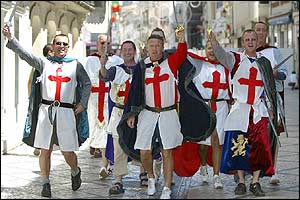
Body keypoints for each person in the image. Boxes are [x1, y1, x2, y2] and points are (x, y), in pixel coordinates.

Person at [2, 24, 91, 198]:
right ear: (53, 45)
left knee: (67, 151)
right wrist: (11, 39)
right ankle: (45, 183)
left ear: (68, 46)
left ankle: (75, 171)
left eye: (65, 44)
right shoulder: (44, 63)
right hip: (46, 111)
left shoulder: (75, 65)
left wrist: (82, 104)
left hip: (66, 112)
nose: (62, 47)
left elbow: (87, 83)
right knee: (45, 149)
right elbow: (26, 55)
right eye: (58, 43)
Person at [122, 27, 187, 199]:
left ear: (162, 46)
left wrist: (182, 39)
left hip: (168, 113)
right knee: (144, 151)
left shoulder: (171, 63)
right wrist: (132, 114)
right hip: (147, 113)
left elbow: (182, 53)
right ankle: (150, 177)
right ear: (147, 47)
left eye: (158, 45)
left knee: (167, 152)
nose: (155, 49)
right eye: (152, 46)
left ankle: (166, 187)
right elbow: (134, 91)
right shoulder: (142, 67)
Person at [210, 29, 275, 196]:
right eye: (247, 39)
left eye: (253, 39)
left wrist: (272, 109)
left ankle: (255, 182)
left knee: (259, 147)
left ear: (257, 41)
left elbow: (269, 89)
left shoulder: (264, 62)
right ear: (243, 42)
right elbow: (221, 54)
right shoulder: (236, 59)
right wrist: (214, 41)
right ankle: (240, 181)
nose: (251, 42)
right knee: (238, 146)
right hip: (240, 110)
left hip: (258, 110)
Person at [99, 40, 149, 194]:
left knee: (141, 143)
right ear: (121, 52)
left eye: (130, 50)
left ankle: (144, 172)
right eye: (125, 50)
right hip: (119, 112)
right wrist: (102, 64)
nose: (128, 52)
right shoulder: (116, 70)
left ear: (134, 51)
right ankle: (118, 180)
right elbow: (105, 77)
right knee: (118, 146)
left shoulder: (142, 69)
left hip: (138, 112)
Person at [185, 39, 232, 189]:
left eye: (214, 48)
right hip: (204, 106)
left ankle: (216, 176)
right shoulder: (199, 65)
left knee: (217, 142)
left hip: (221, 106)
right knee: (203, 146)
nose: (211, 51)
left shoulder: (227, 67)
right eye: (208, 48)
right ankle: (203, 164)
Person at [254, 21, 288, 185]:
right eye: (257, 30)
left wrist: (275, 73)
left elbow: (284, 74)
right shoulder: (248, 53)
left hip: (273, 99)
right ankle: (255, 170)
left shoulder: (274, 52)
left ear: (266, 33)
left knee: (273, 134)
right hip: (254, 100)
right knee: (255, 135)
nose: (259, 33)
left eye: (262, 30)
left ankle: (272, 170)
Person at [79, 34, 112, 179]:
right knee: (94, 131)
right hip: (93, 103)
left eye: (106, 43)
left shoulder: (116, 61)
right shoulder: (88, 61)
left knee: (107, 132)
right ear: (97, 44)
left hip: (109, 103)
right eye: (101, 42)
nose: (104, 45)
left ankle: (105, 164)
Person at [28, 44, 54, 157]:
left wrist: (31, 97)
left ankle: (41, 146)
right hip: (42, 99)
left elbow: (29, 82)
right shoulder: (42, 64)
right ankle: (40, 145)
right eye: (53, 51)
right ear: (49, 53)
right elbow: (30, 81)